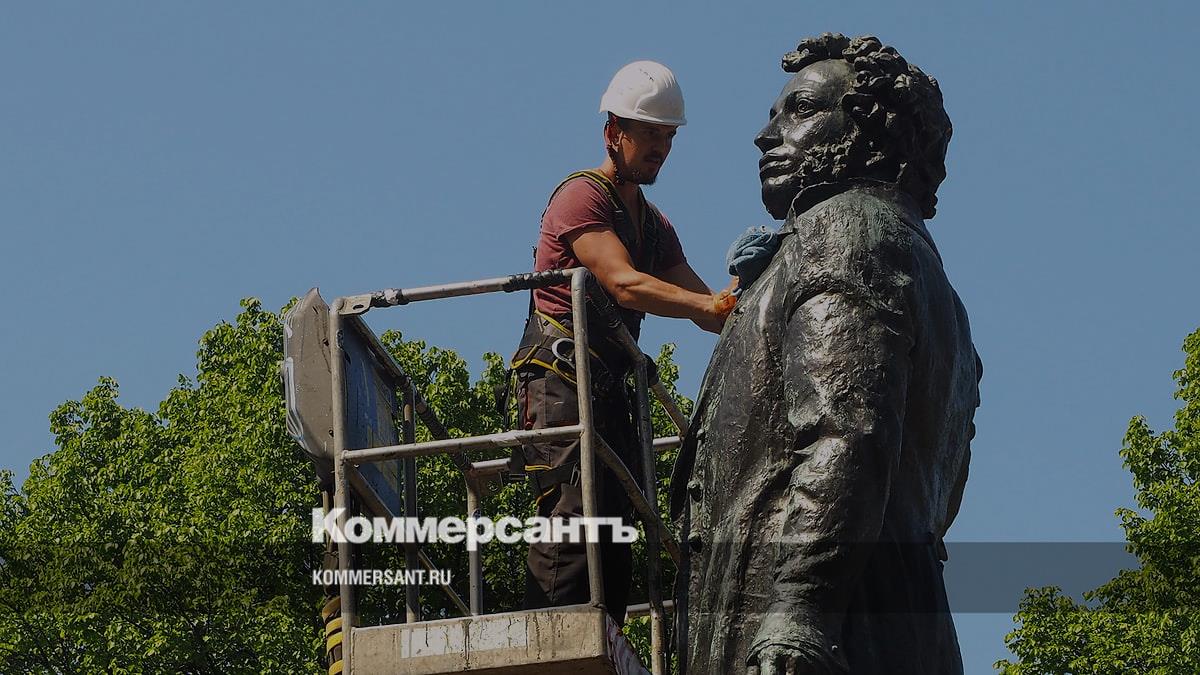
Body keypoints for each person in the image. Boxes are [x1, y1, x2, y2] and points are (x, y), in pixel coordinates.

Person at [671, 34, 982, 674]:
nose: (766, 135)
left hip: (812, 643)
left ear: (869, 135)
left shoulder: (845, 232)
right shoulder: (937, 291)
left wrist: (799, 609)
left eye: (801, 110)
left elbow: (849, 432)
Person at [509, 60, 733, 626]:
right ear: (614, 132)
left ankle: (603, 643)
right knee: (573, 521)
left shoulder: (653, 225)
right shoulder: (581, 197)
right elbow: (624, 284)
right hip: (560, 382)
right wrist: (710, 307)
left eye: (669, 136)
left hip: (608, 391)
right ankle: (553, 650)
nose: (662, 148)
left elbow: (705, 307)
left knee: (615, 532)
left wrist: (747, 297)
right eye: (650, 134)